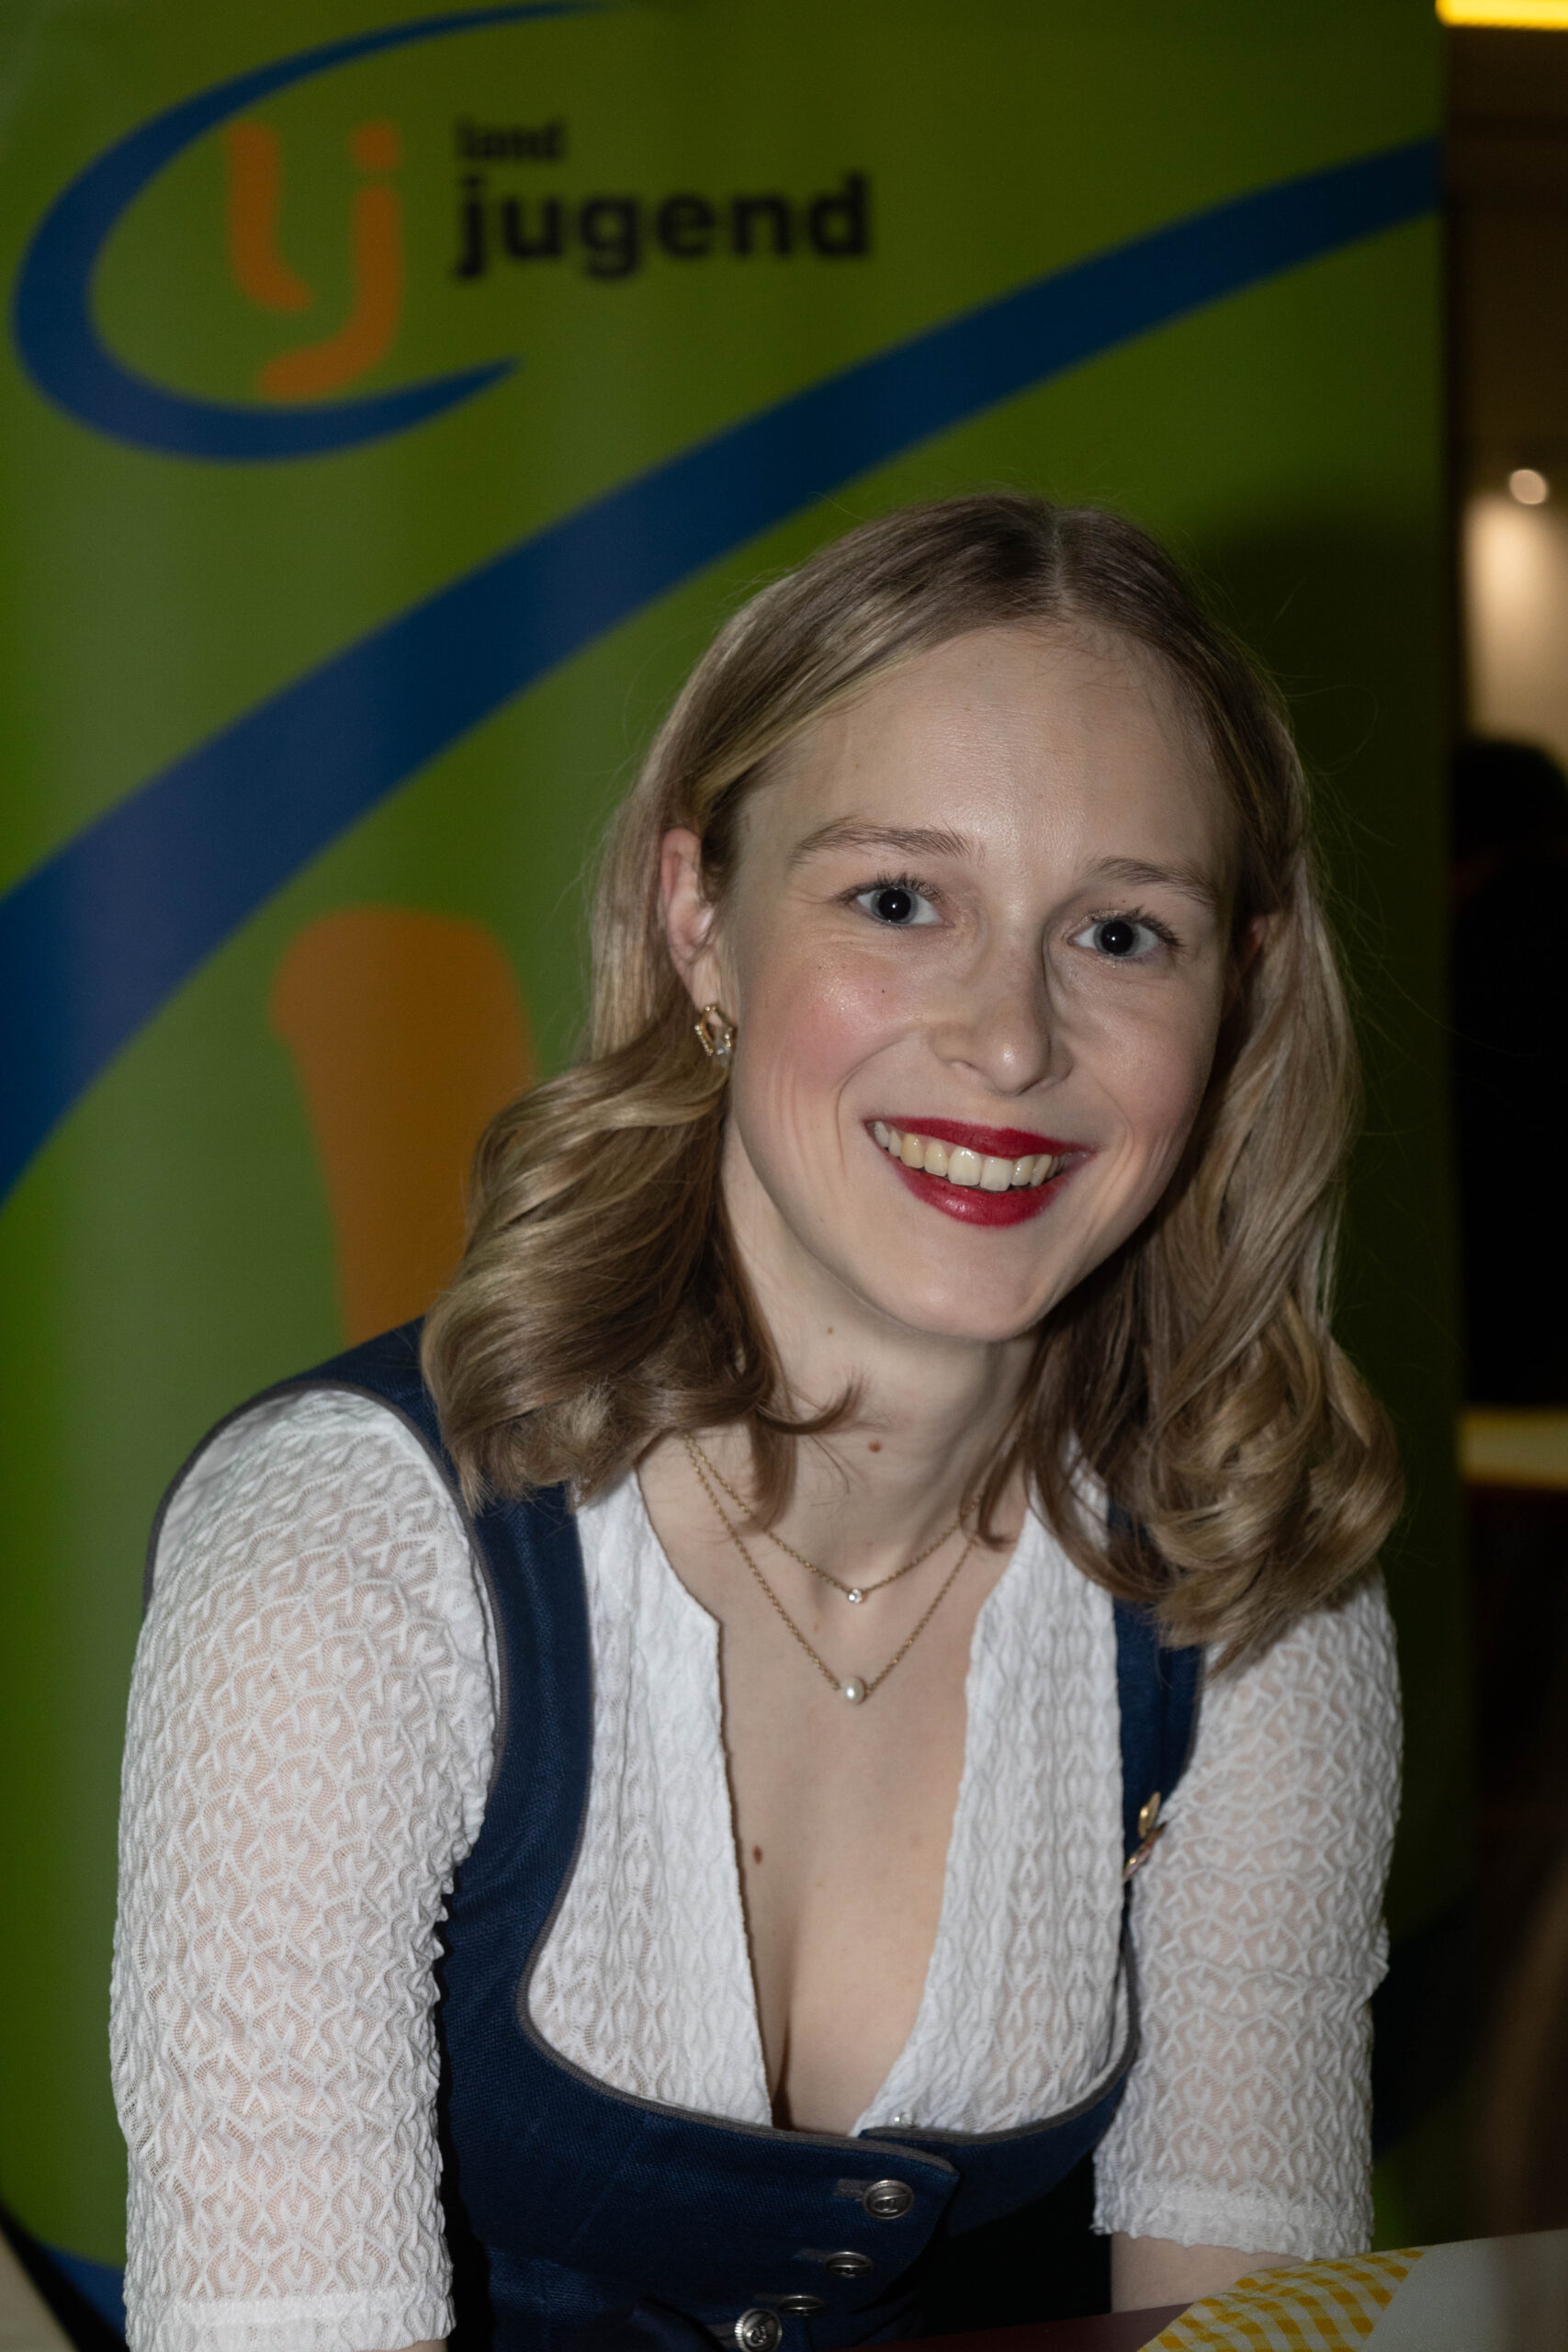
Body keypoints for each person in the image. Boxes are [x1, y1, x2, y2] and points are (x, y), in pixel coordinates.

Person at [111, 494, 1404, 2352]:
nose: (1011, 1038)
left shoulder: (1248, 1572)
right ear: (698, 919)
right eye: (898, 900)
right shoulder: (347, 1558)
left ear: (1241, 990)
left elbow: (1246, 2319)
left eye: (1123, 931)